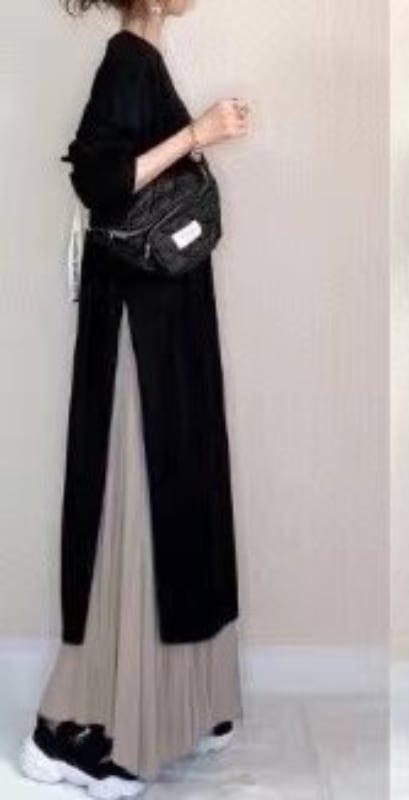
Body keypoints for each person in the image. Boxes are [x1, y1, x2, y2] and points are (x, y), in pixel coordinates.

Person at [19, 1, 250, 797]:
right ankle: (95, 726)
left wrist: (193, 137)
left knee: (176, 498)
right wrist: (197, 134)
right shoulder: (125, 59)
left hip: (163, 326)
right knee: (141, 502)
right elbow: (100, 182)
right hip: (139, 337)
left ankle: (181, 703)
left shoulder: (142, 60)